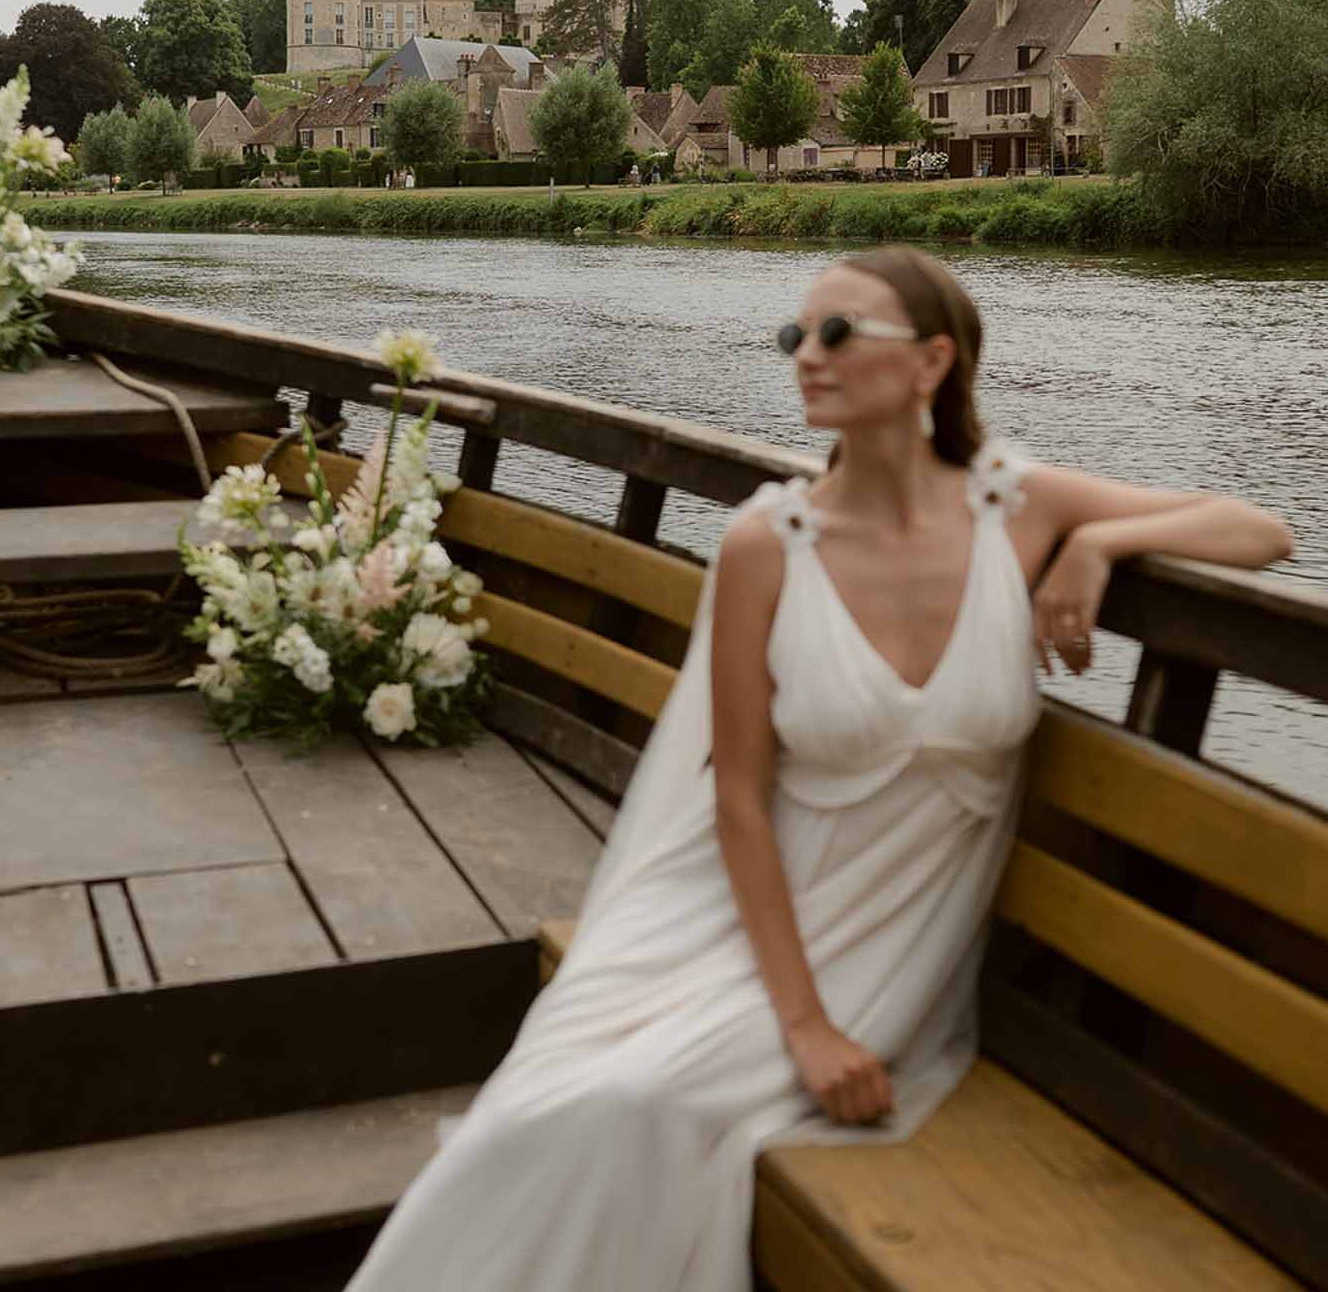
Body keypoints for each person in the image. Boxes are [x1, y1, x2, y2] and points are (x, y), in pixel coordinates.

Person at [345, 246, 1292, 1292]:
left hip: (893, 938)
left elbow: (1258, 527)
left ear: (932, 361)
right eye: (794, 334)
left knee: (638, 1105)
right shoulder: (767, 542)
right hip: (745, 918)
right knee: (584, 1102)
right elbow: (738, 796)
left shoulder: (1011, 506)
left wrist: (1099, 545)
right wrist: (801, 1022)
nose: (806, 354)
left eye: (839, 332)